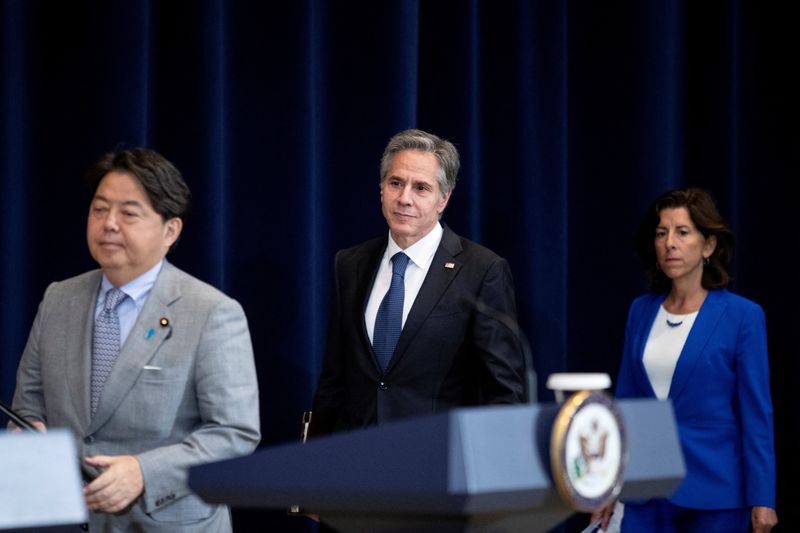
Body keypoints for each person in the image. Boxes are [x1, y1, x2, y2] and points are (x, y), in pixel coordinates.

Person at [11, 148, 261, 531]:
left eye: (128, 213)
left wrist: (145, 472)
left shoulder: (211, 312)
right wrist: (31, 437)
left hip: (167, 521)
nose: (109, 224)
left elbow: (235, 434)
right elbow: (28, 407)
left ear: (170, 231)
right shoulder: (58, 299)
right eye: (99, 209)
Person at [310, 128, 526, 435]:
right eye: (396, 183)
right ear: (381, 188)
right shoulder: (349, 263)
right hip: (354, 460)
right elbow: (335, 378)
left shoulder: (482, 270)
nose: (404, 198)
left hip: (436, 462)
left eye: (421, 188)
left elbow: (503, 392)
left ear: (443, 198)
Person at [593, 187, 777, 532]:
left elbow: (757, 415)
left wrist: (763, 498)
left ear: (708, 245)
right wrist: (607, 485)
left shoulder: (743, 317)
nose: (669, 243)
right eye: (661, 233)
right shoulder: (641, 310)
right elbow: (626, 406)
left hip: (715, 491)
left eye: (682, 232)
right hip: (645, 488)